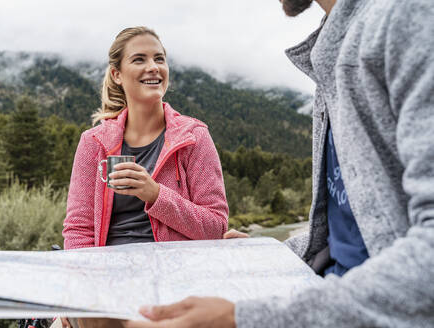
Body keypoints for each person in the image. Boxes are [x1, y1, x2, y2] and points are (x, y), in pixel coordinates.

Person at [124, 0, 434, 327]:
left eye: (159, 58)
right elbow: (351, 233)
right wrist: (270, 255)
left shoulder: (408, 17)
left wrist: (244, 318)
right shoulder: (335, 50)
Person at [60, 26, 229, 327]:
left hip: (175, 279)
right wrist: (88, 284)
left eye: (159, 59)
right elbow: (78, 230)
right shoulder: (94, 142)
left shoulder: (193, 137)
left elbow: (215, 228)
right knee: (101, 316)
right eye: (139, 59)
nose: (153, 67)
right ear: (117, 74)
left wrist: (155, 194)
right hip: (108, 279)